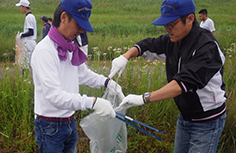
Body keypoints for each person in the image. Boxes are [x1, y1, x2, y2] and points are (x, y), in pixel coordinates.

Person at [109, 0, 226, 152]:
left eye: (171, 25)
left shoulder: (206, 47)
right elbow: (148, 45)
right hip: (184, 117)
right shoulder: (174, 40)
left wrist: (143, 98)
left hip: (207, 121)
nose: (167, 30)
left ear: (190, 19)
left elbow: (183, 83)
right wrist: (125, 56)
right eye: (165, 25)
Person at [31, 0, 122, 152]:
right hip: (49, 127)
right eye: (79, 25)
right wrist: (92, 102)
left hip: (69, 122)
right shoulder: (44, 51)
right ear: (64, 17)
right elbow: (54, 96)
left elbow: (82, 74)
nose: (81, 31)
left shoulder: (69, 46)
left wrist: (106, 82)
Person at [15, 0, 37, 69]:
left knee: (26, 63)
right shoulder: (31, 16)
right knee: (32, 63)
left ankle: (25, 77)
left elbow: (31, 32)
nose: (20, 8)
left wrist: (22, 35)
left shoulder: (29, 17)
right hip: (32, 42)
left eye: (20, 6)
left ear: (24, 7)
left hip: (29, 42)